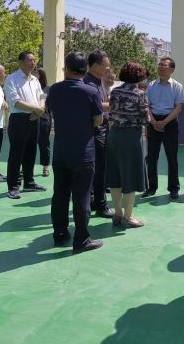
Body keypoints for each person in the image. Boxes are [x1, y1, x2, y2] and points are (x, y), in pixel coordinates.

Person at [46, 52, 104, 254]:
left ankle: (60, 234)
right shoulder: (90, 91)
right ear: (85, 70)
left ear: (66, 69)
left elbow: (49, 110)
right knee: (82, 197)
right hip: (83, 152)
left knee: (60, 195)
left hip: (61, 150)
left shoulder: (55, 89)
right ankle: (82, 239)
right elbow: (98, 119)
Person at [105, 62, 150, 229]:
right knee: (130, 173)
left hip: (114, 134)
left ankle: (117, 213)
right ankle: (128, 216)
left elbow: (111, 110)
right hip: (131, 137)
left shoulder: (115, 91)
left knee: (115, 174)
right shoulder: (140, 94)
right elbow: (145, 119)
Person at [4, 51, 46, 199]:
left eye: (34, 60)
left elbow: (41, 96)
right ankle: (13, 186)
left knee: (31, 151)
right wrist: (37, 109)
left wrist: (40, 109)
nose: (33, 63)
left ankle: (29, 182)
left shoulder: (35, 80)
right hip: (19, 119)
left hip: (35, 118)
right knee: (16, 154)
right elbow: (15, 102)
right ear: (21, 62)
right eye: (30, 60)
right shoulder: (12, 78)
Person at [143, 56, 184, 200]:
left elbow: (178, 107)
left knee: (172, 157)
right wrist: (154, 121)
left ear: (172, 69)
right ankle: (151, 187)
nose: (160, 67)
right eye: (159, 65)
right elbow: (147, 106)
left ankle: (173, 188)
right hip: (153, 121)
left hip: (170, 122)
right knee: (151, 157)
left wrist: (164, 122)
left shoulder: (177, 86)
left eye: (164, 65)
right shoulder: (151, 85)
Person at [83, 50, 114, 218]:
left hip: (102, 129)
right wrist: (117, 104)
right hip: (95, 131)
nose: (107, 69)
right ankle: (100, 204)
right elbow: (96, 106)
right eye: (105, 66)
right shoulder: (89, 83)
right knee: (98, 169)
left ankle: (95, 200)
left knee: (100, 169)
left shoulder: (98, 82)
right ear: (95, 66)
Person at [35, 67, 51, 177]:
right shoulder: (30, 87)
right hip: (31, 118)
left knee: (44, 144)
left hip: (44, 120)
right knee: (28, 144)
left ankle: (45, 167)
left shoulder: (47, 89)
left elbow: (47, 105)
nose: (33, 75)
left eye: (36, 73)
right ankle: (25, 167)